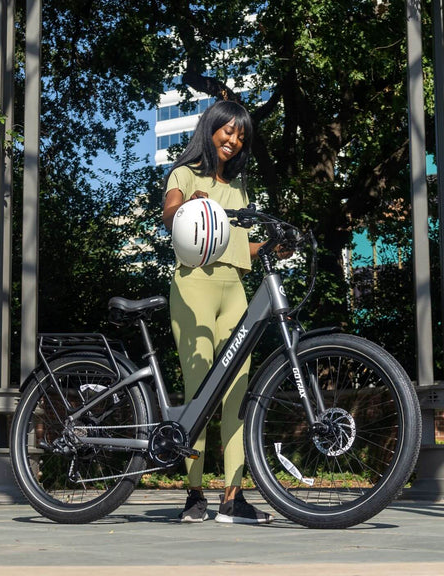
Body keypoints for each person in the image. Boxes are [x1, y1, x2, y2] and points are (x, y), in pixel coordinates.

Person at [162, 100, 273, 524]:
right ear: (210, 129)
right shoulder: (184, 174)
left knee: (237, 395)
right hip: (194, 287)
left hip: (234, 290)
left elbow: (236, 245)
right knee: (200, 393)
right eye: (228, 130)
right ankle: (194, 494)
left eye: (241, 135)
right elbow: (171, 213)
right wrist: (190, 204)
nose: (234, 140)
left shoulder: (239, 189)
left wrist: (271, 248)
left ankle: (232, 495)